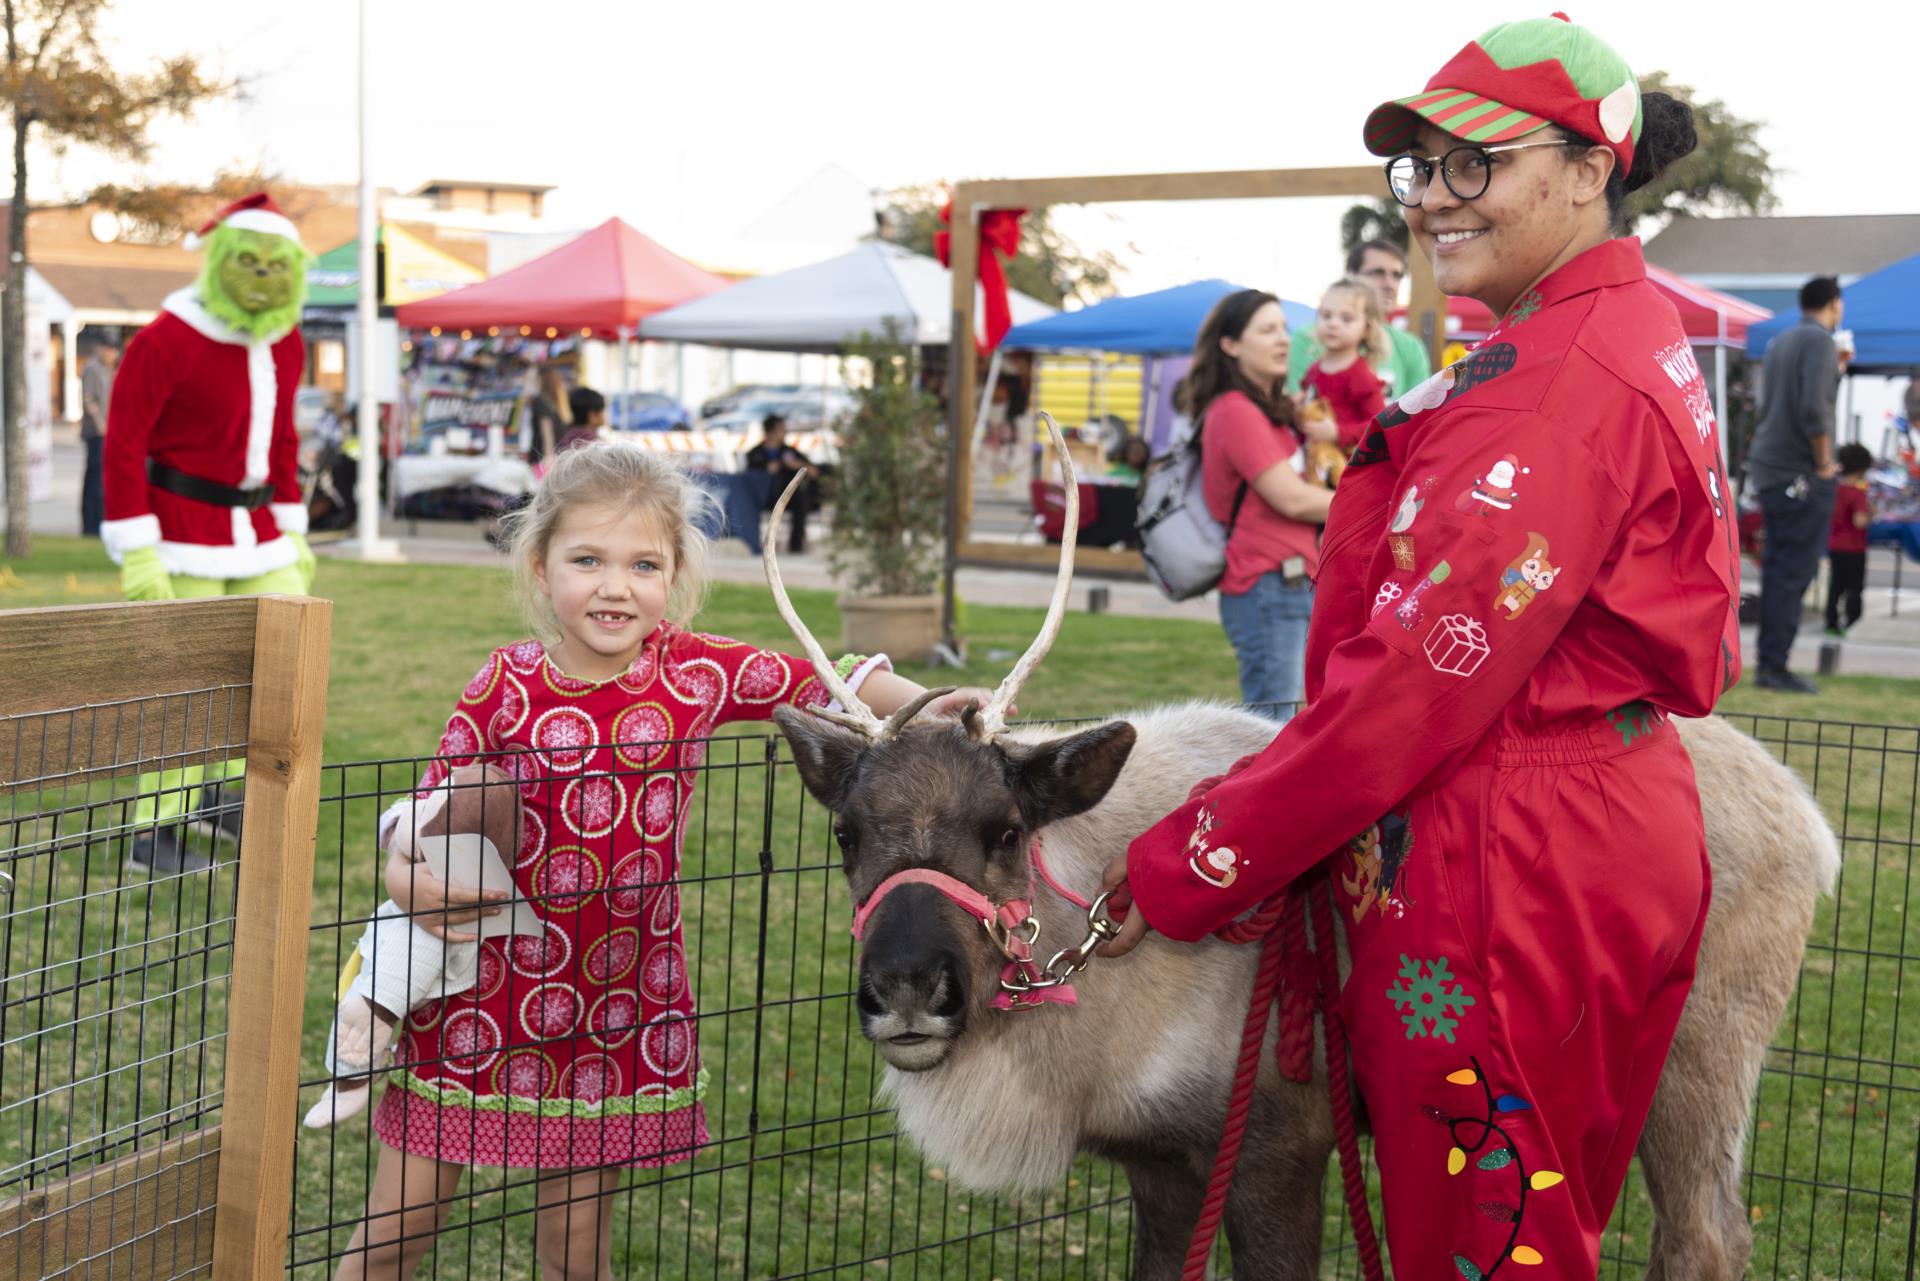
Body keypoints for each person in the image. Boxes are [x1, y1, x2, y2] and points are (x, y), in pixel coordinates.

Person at [1099, 18, 1738, 1280]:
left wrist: (1188, 862)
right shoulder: (1594, 340)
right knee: (1531, 1229)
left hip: (1512, 853)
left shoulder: (1559, 392)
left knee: (1491, 1249)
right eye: (1423, 168)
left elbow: (1411, 687)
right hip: (1579, 824)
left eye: (1475, 166)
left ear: (1588, 170)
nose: (1437, 201)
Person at [334, 439, 989, 1281]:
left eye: (643, 562)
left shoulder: (693, 674)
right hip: (478, 1002)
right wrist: (406, 881)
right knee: (396, 1232)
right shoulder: (502, 685)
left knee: (574, 1252)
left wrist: (937, 708)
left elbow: (832, 682)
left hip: (611, 1007)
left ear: (674, 572)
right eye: (587, 559)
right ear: (540, 569)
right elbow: (418, 824)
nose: (615, 585)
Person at [101, 193, 317, 875]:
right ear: (221, 261)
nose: (262, 275)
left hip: (258, 530)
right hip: (179, 528)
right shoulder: (165, 338)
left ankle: (216, 794)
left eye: (276, 264)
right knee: (185, 681)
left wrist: (292, 521)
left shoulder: (285, 338)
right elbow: (123, 442)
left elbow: (282, 438)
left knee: (280, 664)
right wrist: (138, 548)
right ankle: (152, 830)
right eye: (249, 262)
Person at [1184, 289, 1334, 721]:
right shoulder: (1234, 411)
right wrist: (1374, 502)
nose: (1283, 339)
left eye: (1284, 328)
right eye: (1267, 330)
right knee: (1273, 728)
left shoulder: (1269, 411)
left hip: (1292, 582)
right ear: (1230, 345)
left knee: (1294, 722)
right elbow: (1291, 498)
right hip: (1268, 584)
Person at [1747, 275, 1845, 693]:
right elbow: (1813, 410)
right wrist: (1825, 464)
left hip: (1771, 467)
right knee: (1794, 570)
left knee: (1778, 570)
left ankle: (1769, 662)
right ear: (1833, 304)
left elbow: (1775, 403)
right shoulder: (1821, 341)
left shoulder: (1782, 341)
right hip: (1799, 471)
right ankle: (1775, 666)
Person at [1290, 238, 1434, 397]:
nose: (1390, 284)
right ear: (1351, 277)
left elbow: (1421, 415)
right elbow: (1302, 407)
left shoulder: (1411, 347)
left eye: (1397, 275)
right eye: (1378, 273)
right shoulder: (1309, 338)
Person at [1298, 278, 1392, 449]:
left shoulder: (1361, 376)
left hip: (1347, 466)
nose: (1333, 324)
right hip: (1314, 460)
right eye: (1326, 315)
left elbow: (1379, 428)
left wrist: (1337, 433)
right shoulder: (1314, 370)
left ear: (1366, 329)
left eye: (1346, 319)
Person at [745, 413, 819, 553]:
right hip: (763, 497)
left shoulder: (789, 451)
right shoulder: (755, 453)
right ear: (771, 431)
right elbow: (748, 477)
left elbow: (814, 471)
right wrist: (767, 470)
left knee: (800, 498)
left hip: (789, 498)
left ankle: (796, 545)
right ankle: (753, 545)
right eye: (782, 429)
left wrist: (797, 465)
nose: (785, 432)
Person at [1826, 442, 1875, 637]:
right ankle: (1850, 622)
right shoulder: (1858, 492)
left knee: (1835, 586)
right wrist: (1872, 514)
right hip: (1854, 548)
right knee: (1854, 588)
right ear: (1863, 467)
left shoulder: (1834, 488)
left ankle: (1831, 624)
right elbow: (1860, 521)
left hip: (1834, 544)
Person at [78, 338, 117, 535]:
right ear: (101, 349)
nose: (112, 354)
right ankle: (91, 524)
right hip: (96, 432)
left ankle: (98, 520)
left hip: (108, 430)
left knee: (100, 477)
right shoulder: (92, 368)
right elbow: (89, 399)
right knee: (94, 478)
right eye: (109, 350)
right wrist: (100, 424)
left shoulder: (107, 369)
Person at [527, 365, 573, 473]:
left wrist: (548, 456)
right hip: (559, 455)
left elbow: (546, 431)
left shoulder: (540, 400)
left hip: (542, 457)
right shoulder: (557, 402)